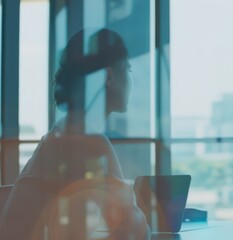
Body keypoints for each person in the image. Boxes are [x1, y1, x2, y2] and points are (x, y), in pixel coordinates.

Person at [0, 29, 150, 240]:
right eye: (129, 69)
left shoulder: (62, 134)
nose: (132, 80)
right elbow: (137, 231)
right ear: (109, 76)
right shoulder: (88, 141)